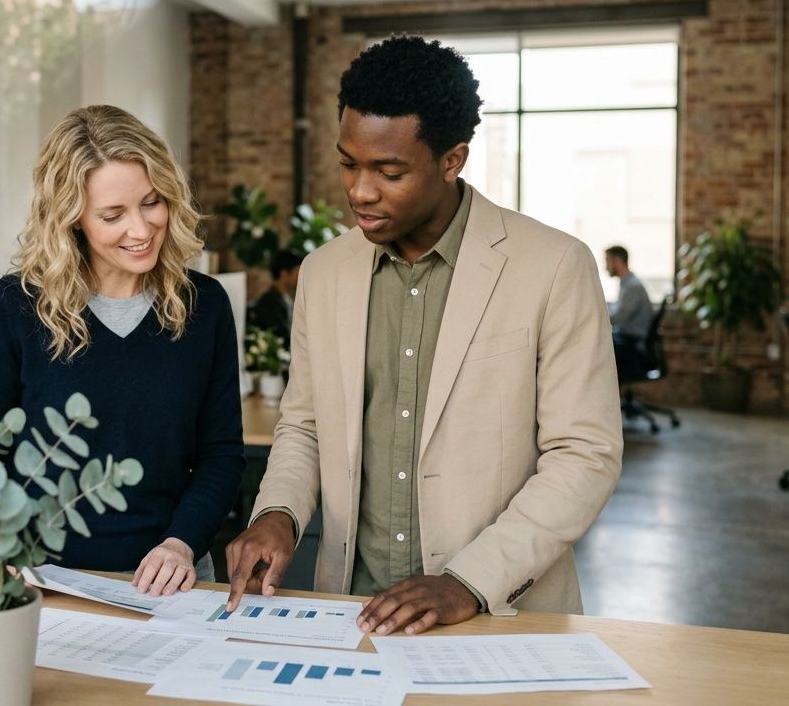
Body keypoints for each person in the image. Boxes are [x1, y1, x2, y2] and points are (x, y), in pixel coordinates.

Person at [225, 36, 623, 635]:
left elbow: (584, 455)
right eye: (348, 163)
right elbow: (304, 424)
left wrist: (469, 582)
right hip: (349, 612)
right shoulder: (324, 272)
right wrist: (278, 512)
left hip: (496, 612)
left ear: (452, 160)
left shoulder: (553, 265)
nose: (360, 190)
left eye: (389, 171)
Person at [0, 105, 245, 596]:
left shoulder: (205, 306)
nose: (141, 230)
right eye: (113, 215)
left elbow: (221, 455)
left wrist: (181, 543)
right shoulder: (15, 307)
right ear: (72, 220)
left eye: (152, 203)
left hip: (171, 582)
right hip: (39, 579)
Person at [604, 245, 654, 377]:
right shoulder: (627, 284)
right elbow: (618, 308)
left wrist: (595, 315)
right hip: (627, 340)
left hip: (632, 346)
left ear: (617, 261)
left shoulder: (632, 287)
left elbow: (616, 318)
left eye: (607, 261)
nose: (605, 267)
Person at [249, 250, 303, 348]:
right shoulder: (270, 303)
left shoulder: (286, 298)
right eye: (297, 272)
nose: (300, 276)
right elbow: (282, 338)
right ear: (284, 274)